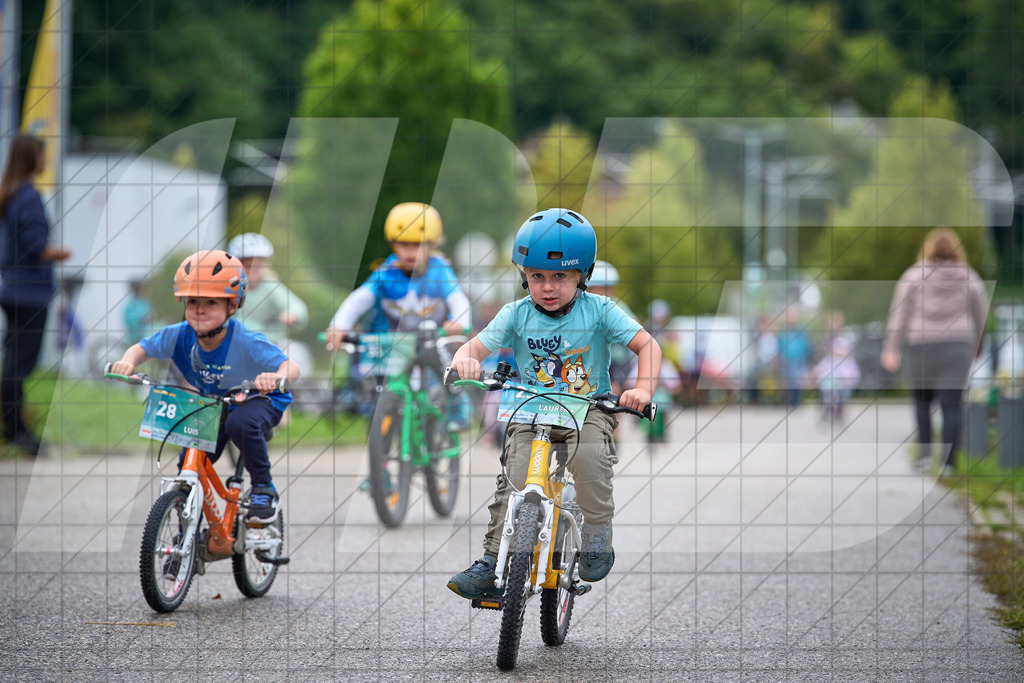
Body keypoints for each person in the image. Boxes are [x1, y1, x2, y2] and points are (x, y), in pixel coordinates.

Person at [446, 208, 662, 598]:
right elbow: (475, 346)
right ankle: (492, 563)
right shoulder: (515, 314)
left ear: (583, 275)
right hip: (531, 408)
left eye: (560, 276)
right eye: (536, 276)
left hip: (589, 407)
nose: (547, 287)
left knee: (590, 459)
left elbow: (647, 345)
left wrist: (643, 389)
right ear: (523, 275)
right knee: (511, 480)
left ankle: (596, 535)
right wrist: (466, 359)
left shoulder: (600, 311)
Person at [109, 250, 300, 523]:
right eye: (193, 301)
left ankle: (263, 488)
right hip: (215, 403)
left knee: (239, 423)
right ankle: (185, 535)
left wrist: (274, 378)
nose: (200, 309)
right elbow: (142, 347)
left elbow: (291, 367)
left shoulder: (245, 339)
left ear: (232, 306)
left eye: (211, 302)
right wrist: (127, 363)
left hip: (259, 399)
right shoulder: (179, 335)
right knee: (190, 457)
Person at [324, 202, 472, 428]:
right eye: (404, 244)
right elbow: (359, 298)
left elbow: (458, 298)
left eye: (418, 245)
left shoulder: (439, 270)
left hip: (431, 338)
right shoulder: (386, 272)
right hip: (394, 342)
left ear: (432, 245)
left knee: (444, 366)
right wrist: (338, 325)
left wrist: (460, 322)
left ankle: (456, 402)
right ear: (394, 244)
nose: (411, 251)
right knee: (376, 383)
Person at [880, 228, 989, 475]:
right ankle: (948, 463)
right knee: (952, 405)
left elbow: (899, 313)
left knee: (922, 402)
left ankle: (925, 457)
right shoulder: (969, 277)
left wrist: (891, 347)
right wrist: (978, 345)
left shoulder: (913, 275)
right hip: (957, 346)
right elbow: (981, 315)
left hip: (921, 345)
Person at [0, 133, 71, 456]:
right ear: (33, 158)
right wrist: (55, 253)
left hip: (13, 287)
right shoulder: (28, 195)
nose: (46, 161)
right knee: (19, 365)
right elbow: (34, 246)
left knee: (14, 361)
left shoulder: (10, 193)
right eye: (43, 156)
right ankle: (17, 431)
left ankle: (16, 427)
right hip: (29, 292)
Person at [227, 232, 313, 412]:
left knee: (296, 353)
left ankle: (285, 402)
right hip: (239, 345)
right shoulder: (230, 288)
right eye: (249, 266)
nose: (254, 271)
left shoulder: (270, 285)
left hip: (270, 344)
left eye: (259, 266)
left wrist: (293, 315)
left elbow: (298, 308)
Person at [813, 335, 861, 423]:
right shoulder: (828, 360)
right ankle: (827, 412)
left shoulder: (849, 361)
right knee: (830, 399)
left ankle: (839, 414)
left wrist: (854, 381)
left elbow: (855, 372)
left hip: (845, 385)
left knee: (842, 401)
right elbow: (819, 369)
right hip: (831, 386)